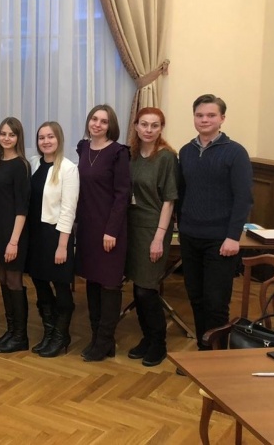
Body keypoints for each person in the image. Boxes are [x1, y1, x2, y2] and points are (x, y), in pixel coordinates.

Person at [178, 94, 252, 350]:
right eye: (199, 115)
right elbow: (183, 193)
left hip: (220, 241)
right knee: (196, 298)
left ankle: (217, 356)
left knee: (216, 302)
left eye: (211, 115)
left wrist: (233, 236)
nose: (204, 120)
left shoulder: (235, 152)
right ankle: (203, 350)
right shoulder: (186, 151)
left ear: (222, 118)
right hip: (189, 236)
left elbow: (243, 198)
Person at [75, 104, 131, 362]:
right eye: (94, 119)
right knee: (92, 281)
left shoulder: (119, 152)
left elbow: (122, 195)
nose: (97, 124)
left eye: (104, 121)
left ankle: (105, 340)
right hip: (87, 227)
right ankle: (98, 338)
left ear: (111, 126)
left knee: (109, 284)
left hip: (110, 229)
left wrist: (112, 230)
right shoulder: (83, 148)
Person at [126, 107, 178, 367]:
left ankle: (159, 342)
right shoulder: (132, 155)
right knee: (137, 287)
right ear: (136, 126)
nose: (148, 130)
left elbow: (169, 201)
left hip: (154, 228)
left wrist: (159, 238)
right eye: (144, 124)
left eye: (154, 125)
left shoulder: (166, 157)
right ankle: (147, 338)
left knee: (147, 289)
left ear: (161, 128)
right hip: (132, 227)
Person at [27, 121, 79, 358]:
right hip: (35, 234)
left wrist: (62, 246)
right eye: (41, 137)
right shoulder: (34, 164)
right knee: (39, 282)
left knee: (60, 286)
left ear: (59, 139)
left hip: (56, 235)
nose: (46, 141)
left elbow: (69, 209)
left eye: (50, 137)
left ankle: (61, 335)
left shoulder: (68, 168)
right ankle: (49, 331)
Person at [0, 117, 31, 353]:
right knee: (3, 280)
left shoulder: (21, 165)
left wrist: (14, 242)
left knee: (14, 281)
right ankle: (11, 330)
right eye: (3, 133)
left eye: (11, 134)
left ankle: (21, 336)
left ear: (18, 138)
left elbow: (22, 207)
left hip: (14, 233)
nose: (6, 138)